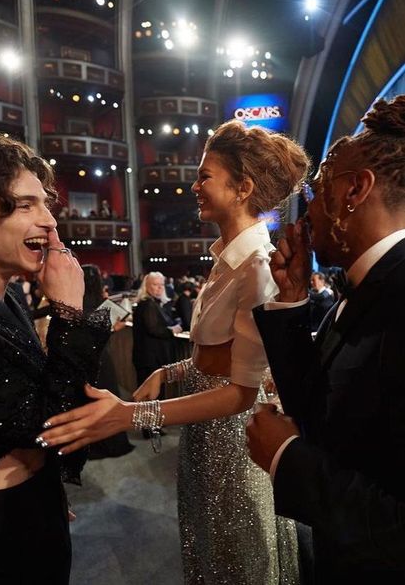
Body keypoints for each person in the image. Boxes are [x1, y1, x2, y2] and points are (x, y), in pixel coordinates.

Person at [37, 119, 310, 584]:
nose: (194, 185)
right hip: (206, 432)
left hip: (235, 439)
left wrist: (132, 416)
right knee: (209, 550)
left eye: (205, 175)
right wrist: (170, 369)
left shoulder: (256, 267)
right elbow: (216, 355)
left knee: (241, 560)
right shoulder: (228, 259)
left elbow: (243, 391)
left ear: (242, 188)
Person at [0, 132, 111, 585]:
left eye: (46, 204)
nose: (51, 221)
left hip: (34, 509)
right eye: (26, 205)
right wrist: (69, 312)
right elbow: (51, 423)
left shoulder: (5, 296)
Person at [247, 95, 405, 584]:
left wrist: (287, 459)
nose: (305, 213)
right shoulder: (367, 283)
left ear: (355, 190)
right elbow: (323, 408)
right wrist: (291, 300)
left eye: (315, 193)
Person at [81, 264, 134, 459]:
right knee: (107, 397)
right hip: (101, 357)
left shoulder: (78, 302)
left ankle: (94, 444)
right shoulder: (97, 303)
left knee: (91, 400)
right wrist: (113, 328)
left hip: (86, 358)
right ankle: (111, 443)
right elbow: (98, 333)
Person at [132, 272, 182, 388]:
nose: (160, 288)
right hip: (149, 359)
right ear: (146, 286)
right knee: (151, 396)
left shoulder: (153, 303)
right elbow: (153, 329)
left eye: (162, 284)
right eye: (155, 284)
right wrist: (172, 330)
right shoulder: (148, 304)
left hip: (149, 357)